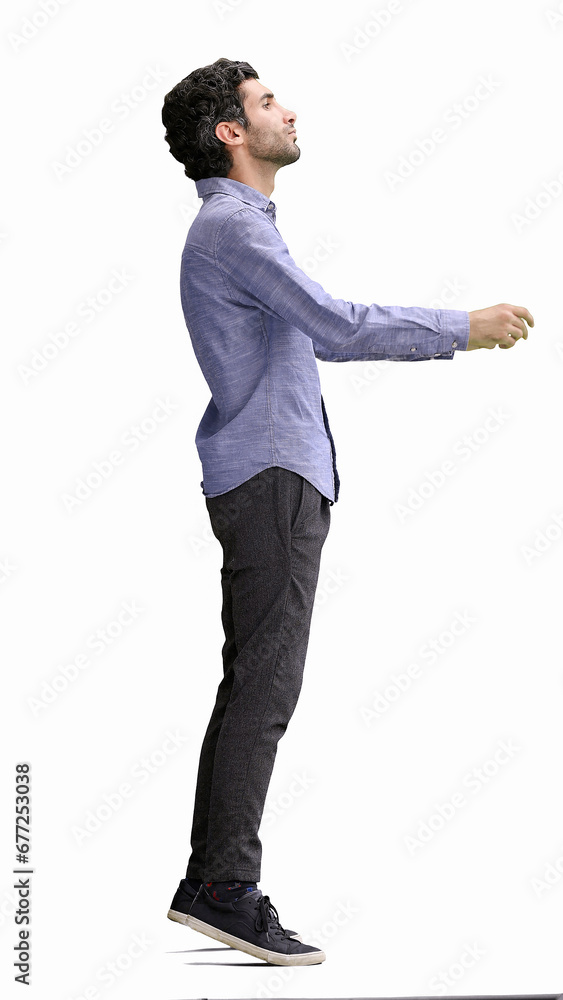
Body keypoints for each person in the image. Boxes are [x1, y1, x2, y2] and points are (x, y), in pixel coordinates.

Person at [160, 57, 534, 967]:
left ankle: (215, 879)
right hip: (271, 478)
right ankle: (221, 887)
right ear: (230, 135)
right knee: (265, 685)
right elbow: (336, 325)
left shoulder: (245, 232)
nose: (288, 110)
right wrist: (463, 326)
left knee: (258, 681)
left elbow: (312, 330)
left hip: (276, 478)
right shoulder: (231, 231)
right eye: (265, 103)